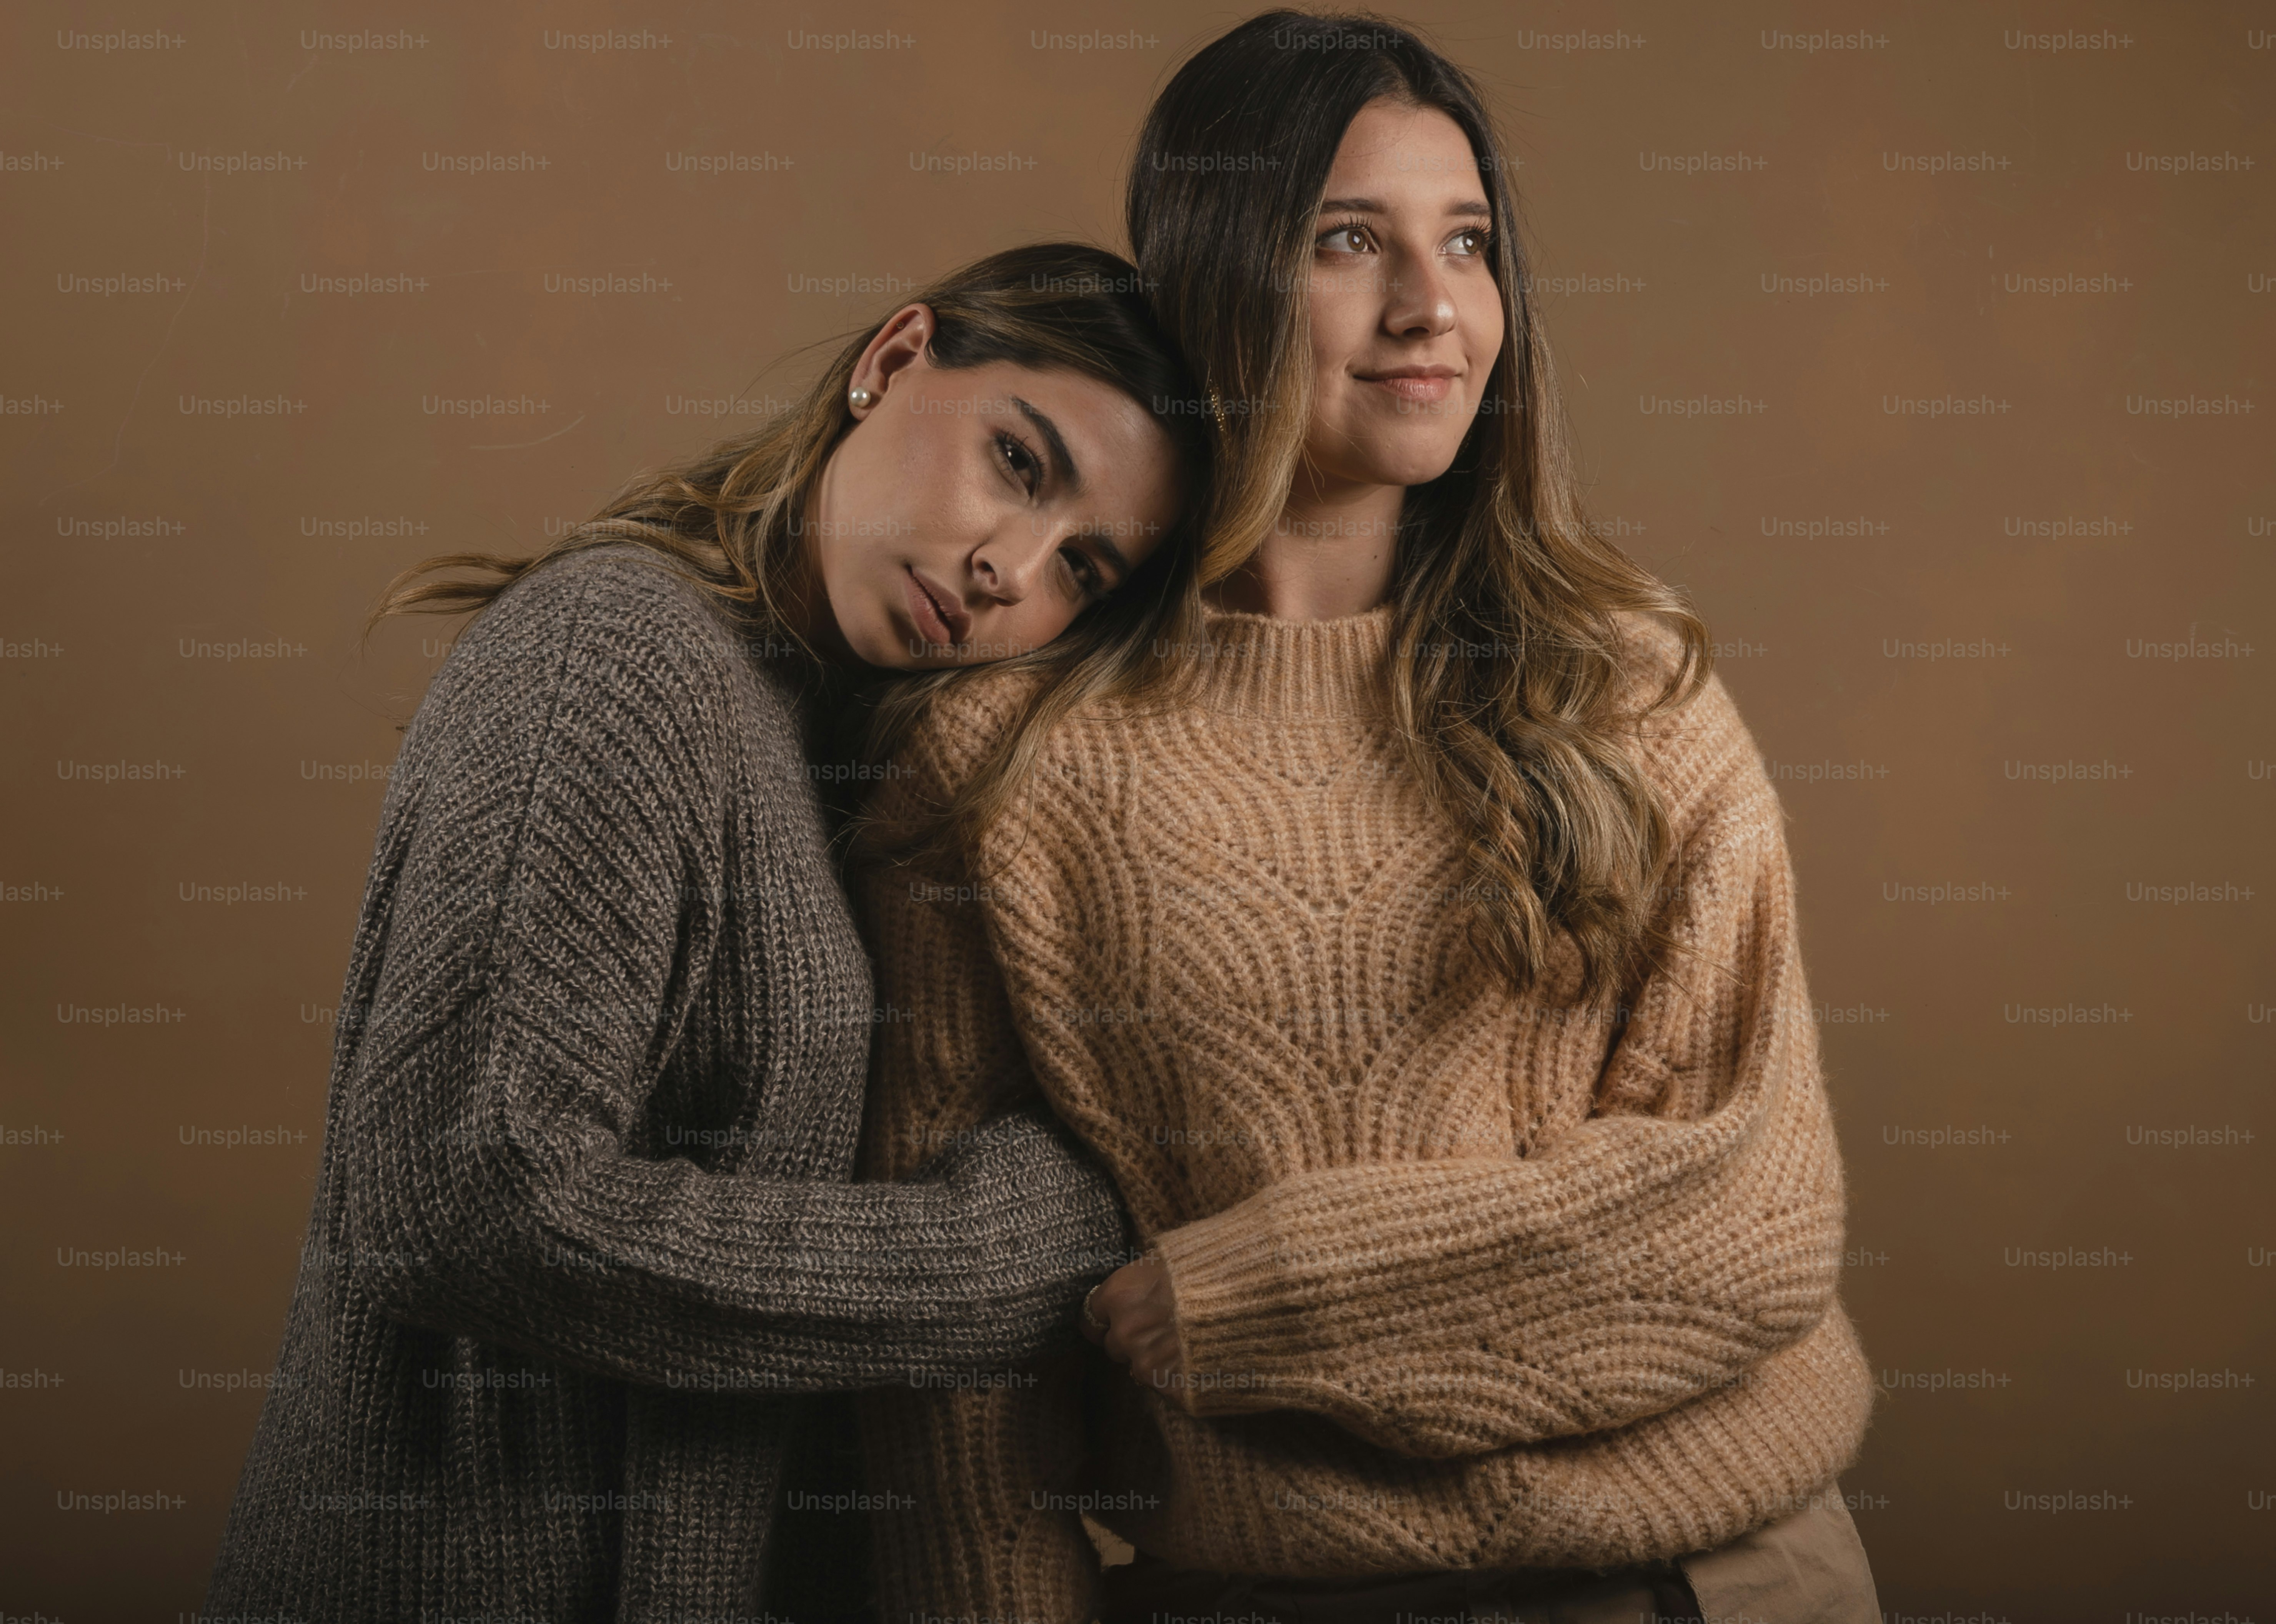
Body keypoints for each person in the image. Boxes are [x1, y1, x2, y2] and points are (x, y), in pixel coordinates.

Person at [852, 16, 1879, 1624]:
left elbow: (1751, 1217)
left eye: (1465, 245)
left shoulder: (1619, 681)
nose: (1433, 310)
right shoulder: (1007, 763)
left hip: (1716, 1574)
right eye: (1350, 242)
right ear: (1215, 272)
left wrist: (1267, 1295)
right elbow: (956, 1385)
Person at [203, 242, 1208, 1621]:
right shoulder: (617, 655)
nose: (1005, 568)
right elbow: (462, 1198)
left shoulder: (839, 739)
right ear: (895, 359)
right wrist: (1005, 1256)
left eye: (1080, 569)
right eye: (1019, 465)